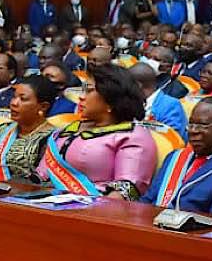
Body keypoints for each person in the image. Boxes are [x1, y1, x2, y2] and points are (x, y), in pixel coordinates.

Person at [42, 64, 157, 199]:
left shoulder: (133, 136)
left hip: (92, 211)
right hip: (45, 202)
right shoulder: (71, 128)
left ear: (110, 101)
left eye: (89, 91)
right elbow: (41, 175)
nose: (81, 97)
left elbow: (125, 192)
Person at [141, 97, 212, 218]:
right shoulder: (175, 157)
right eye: (191, 124)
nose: (193, 131)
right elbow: (147, 201)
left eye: (202, 125)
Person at [0, 75, 59, 181]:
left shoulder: (53, 139)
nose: (13, 103)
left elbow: (43, 180)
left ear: (43, 106)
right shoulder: (2, 130)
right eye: (14, 97)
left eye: (23, 99)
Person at [131, 62, 187, 137]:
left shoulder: (171, 106)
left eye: (127, 84)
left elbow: (172, 140)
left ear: (138, 85)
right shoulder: (132, 102)